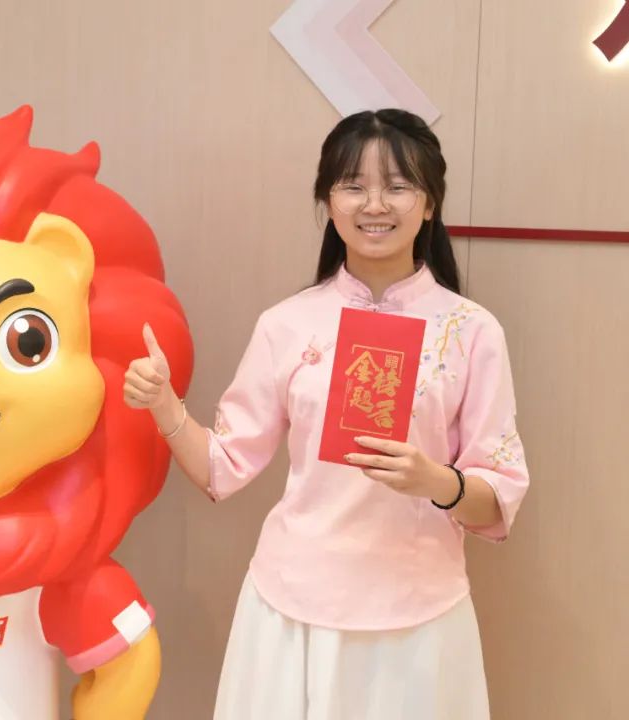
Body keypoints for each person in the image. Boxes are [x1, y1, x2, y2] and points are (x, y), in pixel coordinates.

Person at [123, 108, 529, 719]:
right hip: (292, 603)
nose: (375, 205)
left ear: (429, 204)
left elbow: (497, 499)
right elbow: (221, 468)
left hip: (418, 612)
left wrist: (435, 481)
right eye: (353, 186)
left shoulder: (472, 331)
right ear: (328, 202)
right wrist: (164, 406)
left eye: (398, 186)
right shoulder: (286, 324)